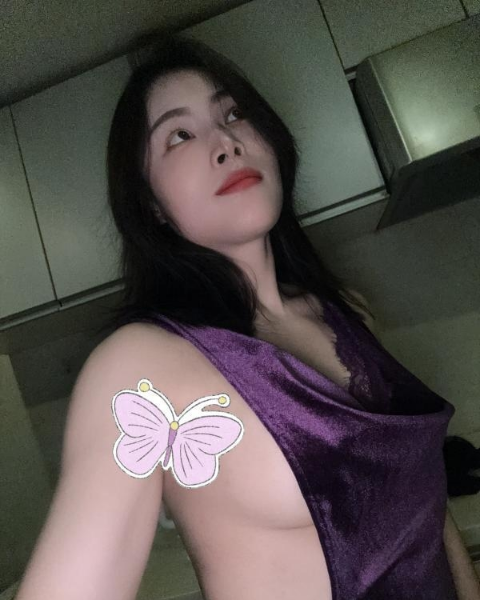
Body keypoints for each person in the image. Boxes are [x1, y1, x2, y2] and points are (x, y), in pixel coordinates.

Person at [14, 33, 470, 600]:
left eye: (232, 114)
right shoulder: (140, 370)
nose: (226, 143)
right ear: (151, 204)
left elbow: (429, 513)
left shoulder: (349, 313)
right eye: (179, 136)